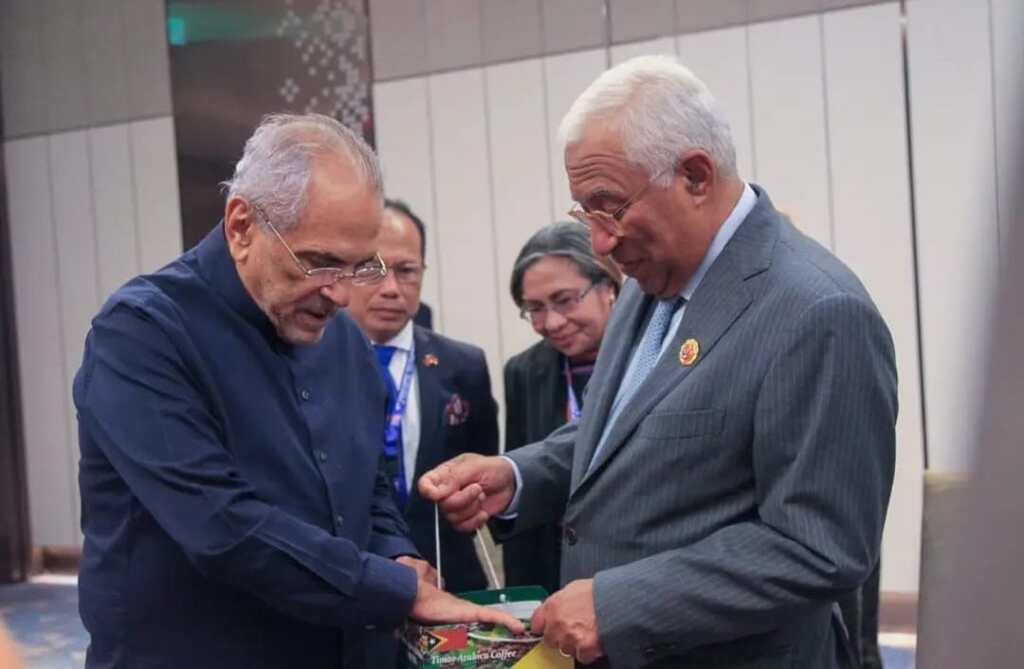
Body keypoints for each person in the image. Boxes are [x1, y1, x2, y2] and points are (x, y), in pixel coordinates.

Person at [420, 55, 896, 668]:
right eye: (585, 213)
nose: (599, 241)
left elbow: (820, 547)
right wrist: (519, 475)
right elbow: (629, 434)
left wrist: (619, 605)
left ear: (695, 176)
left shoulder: (817, 311)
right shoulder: (652, 281)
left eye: (610, 206)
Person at [73, 113, 520, 669]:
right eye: (320, 263)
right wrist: (393, 590)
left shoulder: (344, 341)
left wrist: (397, 556)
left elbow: (369, 486)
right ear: (242, 226)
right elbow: (221, 525)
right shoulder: (143, 334)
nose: (341, 294)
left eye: (359, 266)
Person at [346, 198, 499, 593]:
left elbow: (480, 465)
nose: (391, 289)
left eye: (407, 271)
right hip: (351, 581)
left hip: (449, 577)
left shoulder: (463, 365)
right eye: (373, 269)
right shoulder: (308, 362)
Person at [502, 222, 622, 594]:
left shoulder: (651, 357)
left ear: (609, 287)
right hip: (555, 570)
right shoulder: (525, 371)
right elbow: (520, 489)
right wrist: (523, 597)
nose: (551, 322)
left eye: (565, 300)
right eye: (535, 308)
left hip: (635, 570)